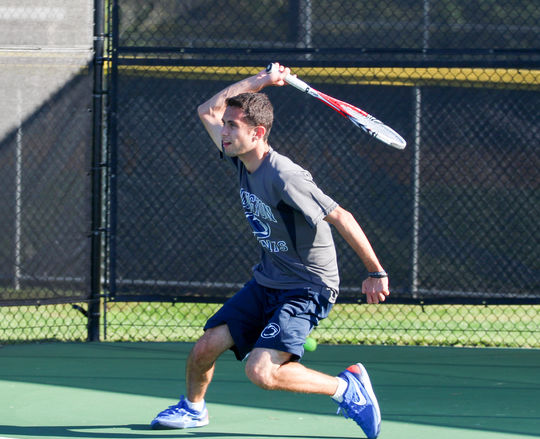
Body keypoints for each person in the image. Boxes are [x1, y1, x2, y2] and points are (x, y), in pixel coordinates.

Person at [149, 64, 390, 439]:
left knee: (261, 372)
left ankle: (348, 389)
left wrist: (375, 272)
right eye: (226, 125)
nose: (223, 131)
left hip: (307, 287)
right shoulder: (241, 158)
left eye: (233, 127)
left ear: (257, 133)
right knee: (204, 347)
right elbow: (206, 111)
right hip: (268, 280)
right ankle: (193, 410)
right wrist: (262, 80)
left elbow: (341, 216)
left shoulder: (285, 175)